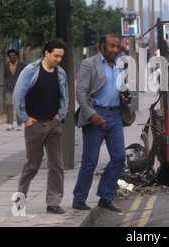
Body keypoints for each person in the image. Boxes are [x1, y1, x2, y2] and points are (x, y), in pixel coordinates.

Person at [72, 34, 129, 212]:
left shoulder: (120, 65)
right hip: (96, 115)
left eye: (117, 46)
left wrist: (125, 97)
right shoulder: (89, 64)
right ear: (101, 47)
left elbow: (121, 89)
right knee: (90, 161)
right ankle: (79, 199)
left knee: (119, 157)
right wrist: (91, 114)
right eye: (111, 46)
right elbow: (80, 93)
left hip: (115, 116)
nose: (115, 50)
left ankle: (105, 196)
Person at [13, 38, 69, 214]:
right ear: (46, 53)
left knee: (57, 164)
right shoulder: (30, 71)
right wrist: (25, 119)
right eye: (56, 55)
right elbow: (17, 96)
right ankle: (19, 201)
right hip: (35, 125)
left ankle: (53, 202)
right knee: (32, 166)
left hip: (53, 125)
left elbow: (64, 96)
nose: (58, 60)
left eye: (61, 57)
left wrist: (60, 115)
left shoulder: (60, 73)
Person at [4, 49, 26, 131]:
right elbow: (5, 76)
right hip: (9, 88)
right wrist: (6, 83)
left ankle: (19, 123)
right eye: (10, 56)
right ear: (8, 57)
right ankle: (10, 123)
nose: (12, 57)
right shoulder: (6, 65)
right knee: (9, 104)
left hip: (19, 88)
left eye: (13, 56)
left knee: (18, 105)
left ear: (16, 56)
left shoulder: (22, 64)